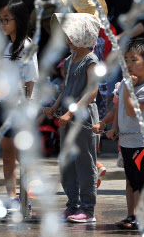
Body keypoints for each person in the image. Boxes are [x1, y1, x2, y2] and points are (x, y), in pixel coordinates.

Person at [94, 38, 144, 229]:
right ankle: (131, 215)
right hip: (126, 142)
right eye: (126, 60)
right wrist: (109, 126)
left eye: (133, 60)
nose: (129, 65)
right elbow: (117, 110)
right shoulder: (123, 85)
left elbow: (132, 111)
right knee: (130, 181)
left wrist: (128, 90)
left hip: (141, 143)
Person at [43, 13, 101, 223]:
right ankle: (72, 204)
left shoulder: (91, 60)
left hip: (82, 118)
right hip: (65, 118)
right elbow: (65, 89)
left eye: (71, 34)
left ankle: (88, 208)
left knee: (85, 162)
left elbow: (92, 91)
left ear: (84, 35)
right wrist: (55, 107)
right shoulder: (68, 60)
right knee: (67, 163)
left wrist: (70, 112)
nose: (67, 38)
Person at [0, 0, 39, 206]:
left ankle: (26, 195)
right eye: (0, 20)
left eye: (6, 20)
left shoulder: (26, 46)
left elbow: (31, 81)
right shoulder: (4, 46)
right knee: (7, 155)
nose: (2, 24)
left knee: (22, 156)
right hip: (3, 107)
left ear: (18, 20)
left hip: (20, 108)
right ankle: (11, 196)